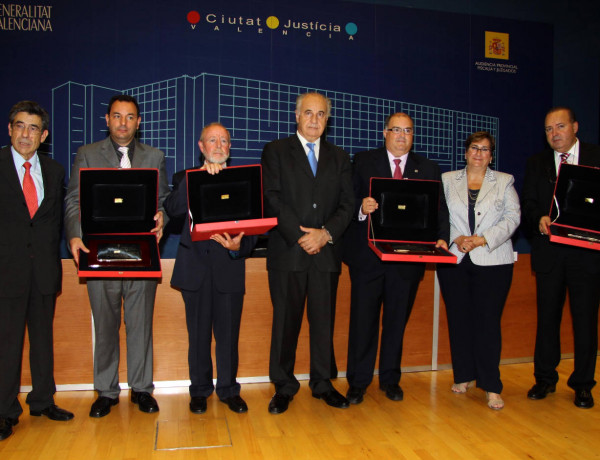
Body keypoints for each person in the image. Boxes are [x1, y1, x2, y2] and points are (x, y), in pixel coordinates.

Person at [64, 94, 170, 418]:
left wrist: (162, 216)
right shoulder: (87, 154)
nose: (123, 123)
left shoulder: (155, 156)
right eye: (117, 116)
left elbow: (162, 199)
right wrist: (74, 234)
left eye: (130, 117)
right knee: (106, 326)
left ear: (139, 122)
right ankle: (106, 391)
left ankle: (141, 389)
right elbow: (72, 200)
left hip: (142, 255)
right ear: (107, 120)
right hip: (99, 254)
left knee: (140, 325)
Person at [342, 112, 449, 405]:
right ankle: (358, 382)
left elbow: (440, 210)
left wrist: (441, 236)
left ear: (413, 136)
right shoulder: (363, 162)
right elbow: (345, 200)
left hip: (407, 261)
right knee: (363, 321)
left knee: (395, 322)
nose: (402, 136)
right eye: (396, 130)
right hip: (368, 259)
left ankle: (390, 379)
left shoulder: (427, 168)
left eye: (408, 131)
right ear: (385, 133)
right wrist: (361, 208)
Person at [261, 92, 354, 414]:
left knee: (323, 323)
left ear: (328, 119)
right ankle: (284, 386)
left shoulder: (340, 157)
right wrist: (302, 236)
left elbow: (347, 203)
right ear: (297, 116)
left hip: (326, 252)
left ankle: (323, 383)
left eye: (321, 114)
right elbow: (271, 197)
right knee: (285, 324)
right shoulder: (275, 151)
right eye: (309, 113)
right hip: (289, 251)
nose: (315, 120)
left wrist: (325, 234)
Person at [164, 122, 257, 415]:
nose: (219, 146)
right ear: (202, 147)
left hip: (229, 269)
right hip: (196, 270)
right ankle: (200, 390)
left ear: (230, 148)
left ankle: (229, 390)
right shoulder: (185, 178)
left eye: (224, 141)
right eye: (212, 141)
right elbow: (173, 210)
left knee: (228, 337)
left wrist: (239, 247)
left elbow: (253, 227)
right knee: (199, 337)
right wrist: (197, 178)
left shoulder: (245, 180)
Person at [0, 101, 73, 441]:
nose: (25, 134)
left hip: (44, 271)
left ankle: (43, 401)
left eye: (33, 128)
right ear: (10, 129)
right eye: (19, 126)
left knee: (43, 341)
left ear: (43, 135)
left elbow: (54, 222)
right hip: (6, 272)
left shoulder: (55, 170)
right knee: (7, 344)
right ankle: (4, 411)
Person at [522, 107, 600, 409]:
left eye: (560, 126)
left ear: (575, 127)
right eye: (548, 129)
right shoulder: (537, 163)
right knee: (547, 321)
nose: (554, 134)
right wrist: (538, 217)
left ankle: (583, 384)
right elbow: (528, 202)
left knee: (585, 322)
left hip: (587, 255)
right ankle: (544, 379)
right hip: (549, 253)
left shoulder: (596, 157)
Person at [436, 131, 520, 410]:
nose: (479, 153)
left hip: (493, 261)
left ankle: (492, 386)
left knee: (487, 323)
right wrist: (457, 237)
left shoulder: (505, 181)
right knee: (459, 320)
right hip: (455, 259)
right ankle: (464, 376)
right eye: (474, 148)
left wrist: (483, 239)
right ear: (465, 152)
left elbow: (513, 217)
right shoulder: (448, 180)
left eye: (485, 150)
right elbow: (440, 216)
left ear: (491, 156)